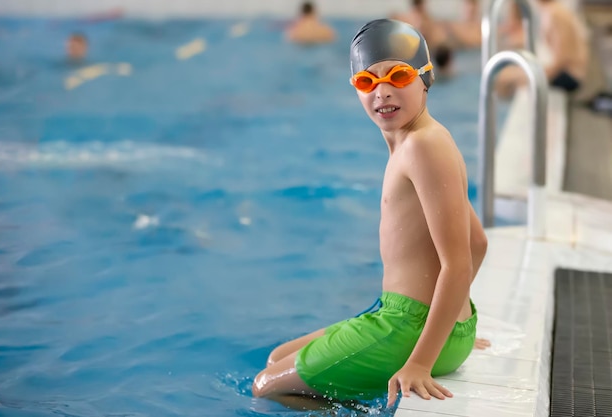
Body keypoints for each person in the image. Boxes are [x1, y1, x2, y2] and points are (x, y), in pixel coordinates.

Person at [252, 19, 489, 410]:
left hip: (406, 327)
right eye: (366, 81)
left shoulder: (422, 148)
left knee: (266, 385)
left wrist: (422, 361)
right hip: (426, 324)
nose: (382, 92)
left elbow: (459, 262)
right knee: (278, 357)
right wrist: (453, 325)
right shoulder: (425, 139)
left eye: (398, 75)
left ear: (425, 78)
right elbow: (477, 241)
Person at [495, 0, 589, 97]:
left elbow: (563, 58)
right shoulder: (551, 10)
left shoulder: (556, 13)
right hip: (564, 71)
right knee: (506, 75)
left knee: (506, 77)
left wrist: (536, 75)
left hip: (569, 76)